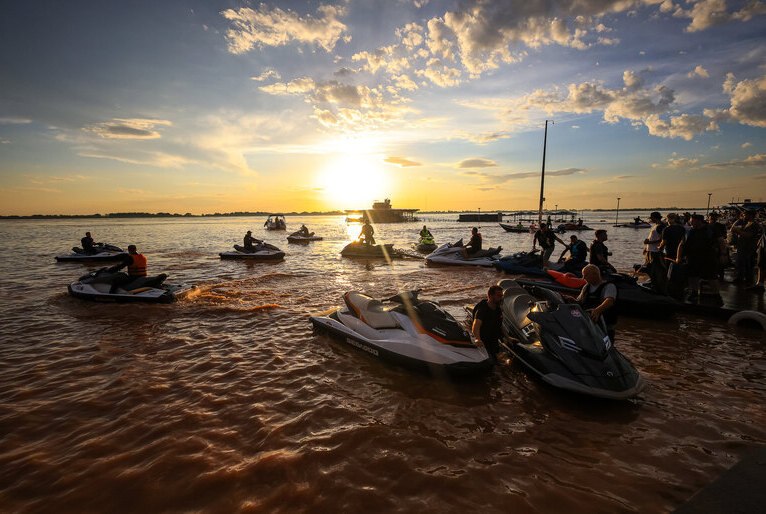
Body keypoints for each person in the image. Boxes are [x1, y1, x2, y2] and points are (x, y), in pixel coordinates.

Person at [566, 264, 618, 342]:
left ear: (595, 274)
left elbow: (609, 301)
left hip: (604, 326)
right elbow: (579, 302)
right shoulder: (586, 287)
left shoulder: (609, 286)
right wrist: (572, 300)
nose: (584, 278)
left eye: (586, 275)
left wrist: (597, 310)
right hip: (588, 324)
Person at [677, 214, 720, 303]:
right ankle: (694, 292)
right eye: (690, 221)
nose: (690, 222)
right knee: (693, 276)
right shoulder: (689, 231)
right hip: (692, 257)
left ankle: (716, 294)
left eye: (692, 221)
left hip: (708, 257)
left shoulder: (710, 229)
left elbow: (721, 241)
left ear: (699, 221)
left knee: (711, 277)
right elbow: (681, 244)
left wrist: (723, 254)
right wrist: (678, 257)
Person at [472, 285, 504, 362]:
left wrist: (508, 337)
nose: (501, 298)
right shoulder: (482, 309)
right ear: (490, 295)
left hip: (493, 340)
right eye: (499, 296)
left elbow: (499, 324)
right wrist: (477, 339)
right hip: (484, 341)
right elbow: (476, 326)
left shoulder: (498, 309)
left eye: (502, 296)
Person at [730, 210, 762, 285]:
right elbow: (732, 228)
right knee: (740, 263)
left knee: (748, 265)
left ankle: (748, 281)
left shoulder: (754, 225)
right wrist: (738, 220)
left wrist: (738, 232)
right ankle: (740, 278)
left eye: (745, 215)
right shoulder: (746, 223)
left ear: (750, 215)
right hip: (742, 247)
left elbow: (748, 235)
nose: (743, 216)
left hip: (749, 248)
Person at [661, 213, 687, 300]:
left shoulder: (667, 229)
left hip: (669, 252)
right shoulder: (681, 228)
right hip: (680, 252)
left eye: (667, 219)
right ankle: (680, 288)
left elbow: (664, 242)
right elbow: (684, 240)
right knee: (679, 270)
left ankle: (669, 290)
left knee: (668, 270)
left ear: (669, 219)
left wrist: (659, 248)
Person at [644, 211, 667, 293]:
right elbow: (652, 238)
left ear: (655, 218)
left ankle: (658, 286)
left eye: (652, 218)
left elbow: (662, 239)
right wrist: (646, 248)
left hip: (656, 251)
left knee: (657, 269)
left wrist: (649, 243)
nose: (651, 220)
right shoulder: (655, 226)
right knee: (649, 268)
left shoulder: (661, 226)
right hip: (650, 250)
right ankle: (653, 283)